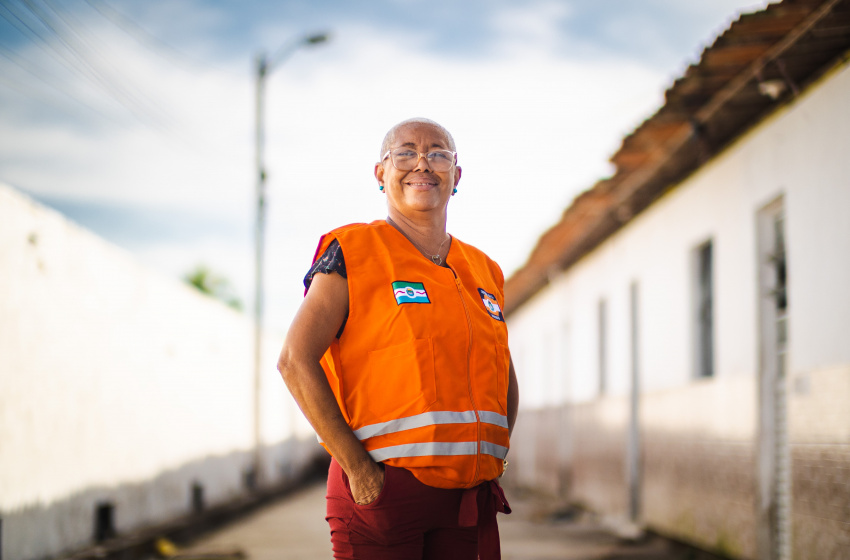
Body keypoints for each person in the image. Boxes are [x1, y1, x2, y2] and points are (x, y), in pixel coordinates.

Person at [277, 117, 519, 560]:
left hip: (466, 497)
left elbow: (503, 368)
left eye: (438, 154)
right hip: (382, 491)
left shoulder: (485, 269)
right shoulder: (352, 251)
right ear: (381, 173)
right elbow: (294, 360)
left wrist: (495, 455)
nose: (422, 164)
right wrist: (359, 470)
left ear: (456, 175)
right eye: (405, 152)